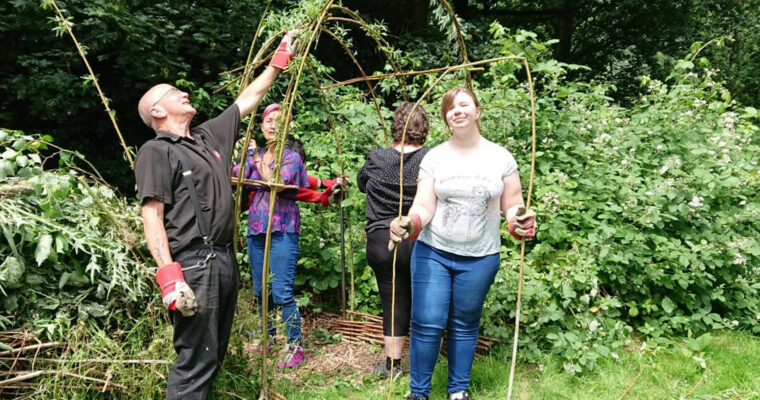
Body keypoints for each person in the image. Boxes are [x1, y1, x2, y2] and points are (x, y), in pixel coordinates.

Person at [134, 31, 299, 399]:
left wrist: (280, 58)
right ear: (158, 111)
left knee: (213, 356)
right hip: (193, 266)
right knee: (195, 361)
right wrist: (169, 279)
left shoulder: (207, 139)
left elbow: (248, 99)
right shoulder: (156, 151)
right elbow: (152, 215)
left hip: (225, 260)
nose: (184, 93)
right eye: (174, 93)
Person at [388, 88, 536, 400]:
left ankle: (458, 391)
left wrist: (518, 220)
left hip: (481, 256)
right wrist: (409, 223)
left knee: (465, 323)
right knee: (427, 322)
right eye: (450, 108)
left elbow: (512, 204)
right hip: (434, 252)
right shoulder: (435, 157)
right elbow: (423, 207)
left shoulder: (501, 158)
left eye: (464, 104)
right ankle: (418, 393)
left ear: (478, 111)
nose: (457, 111)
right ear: (445, 118)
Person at [233, 102, 347, 369]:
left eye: (279, 120)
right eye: (268, 121)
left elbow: (277, 183)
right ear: (261, 127)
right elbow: (241, 178)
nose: (273, 125)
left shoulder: (291, 157)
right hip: (257, 229)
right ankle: (268, 339)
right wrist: (231, 158)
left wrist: (256, 157)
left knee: (282, 291)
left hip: (283, 228)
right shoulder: (254, 154)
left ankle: (294, 346)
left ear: (288, 125)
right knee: (262, 291)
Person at [357, 102, 431, 378]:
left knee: (392, 299)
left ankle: (392, 365)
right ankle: (426, 363)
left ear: (395, 127)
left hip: (379, 239)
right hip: (416, 236)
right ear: (424, 128)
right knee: (425, 300)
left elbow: (361, 183)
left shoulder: (377, 157)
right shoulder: (430, 158)